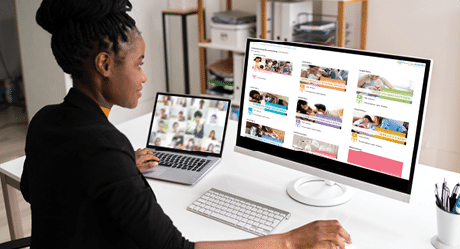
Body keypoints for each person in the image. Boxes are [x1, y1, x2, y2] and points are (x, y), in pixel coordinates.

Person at [20, 0, 352, 248]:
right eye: (139, 63)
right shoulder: (105, 150)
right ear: (105, 64)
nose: (144, 76)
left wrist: (117, 171)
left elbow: (35, 190)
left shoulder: (45, 121)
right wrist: (288, 241)